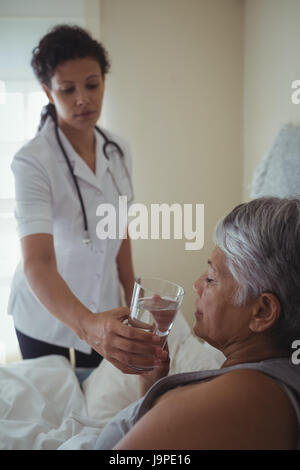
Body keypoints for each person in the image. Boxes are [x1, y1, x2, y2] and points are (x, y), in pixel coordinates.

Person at [8, 24, 164, 371]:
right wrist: (87, 326)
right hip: (45, 316)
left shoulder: (119, 150)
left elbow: (119, 226)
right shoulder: (32, 161)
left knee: (97, 399)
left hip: (103, 307)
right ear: (48, 92)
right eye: (68, 89)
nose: (83, 98)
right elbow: (39, 262)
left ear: (104, 81)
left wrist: (133, 295)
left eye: (92, 84)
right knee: (54, 408)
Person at [86, 197, 300, 450]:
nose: (197, 285)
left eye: (211, 278)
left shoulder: (238, 400)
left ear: (262, 312)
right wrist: (151, 382)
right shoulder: (268, 376)